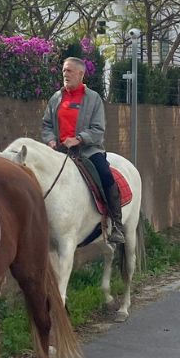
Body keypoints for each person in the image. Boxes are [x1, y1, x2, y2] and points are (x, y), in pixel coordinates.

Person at [42, 56, 126, 244]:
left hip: (88, 151)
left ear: (81, 74)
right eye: (64, 70)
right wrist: (50, 141)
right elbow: (46, 125)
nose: (65, 73)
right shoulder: (56, 98)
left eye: (69, 70)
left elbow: (98, 129)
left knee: (105, 174)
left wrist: (79, 139)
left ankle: (117, 225)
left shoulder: (93, 98)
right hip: (60, 152)